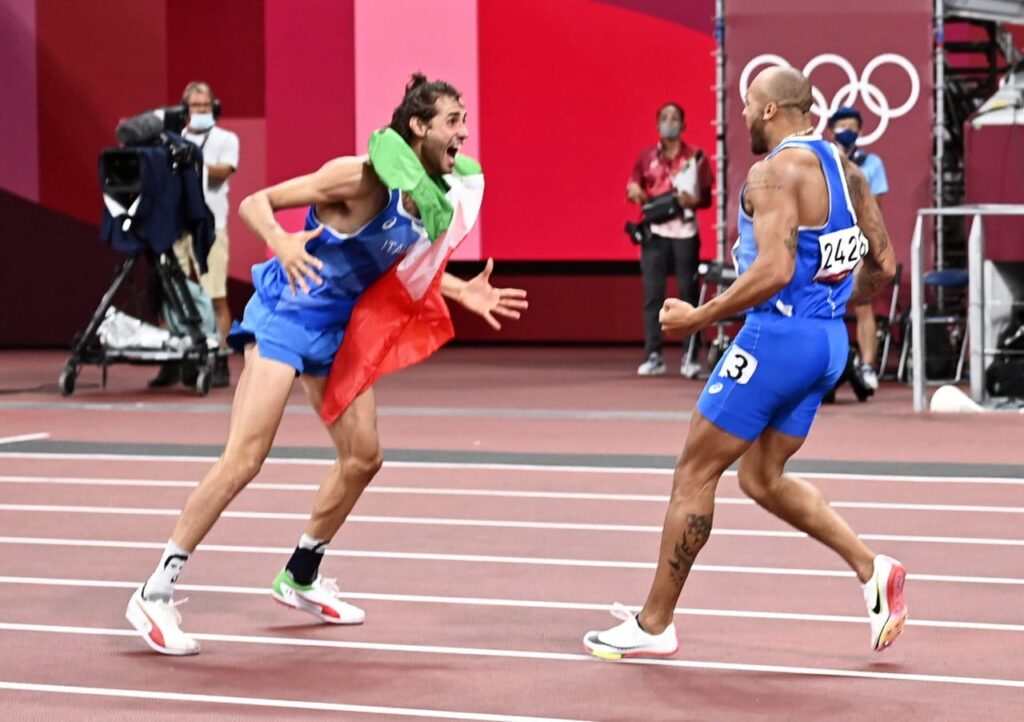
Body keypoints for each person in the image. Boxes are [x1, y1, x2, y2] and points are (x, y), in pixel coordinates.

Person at [125, 74, 528, 655]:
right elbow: (253, 202)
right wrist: (284, 244)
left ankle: (301, 576)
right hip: (288, 314)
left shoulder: (429, 200)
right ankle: (154, 591)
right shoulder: (361, 177)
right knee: (245, 459)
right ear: (418, 127)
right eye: (452, 121)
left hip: (338, 329)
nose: (463, 132)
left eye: (464, 120)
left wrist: (462, 291)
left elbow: (401, 267)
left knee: (363, 458)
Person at [584, 67, 905, 660]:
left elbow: (775, 271)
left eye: (746, 105)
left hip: (775, 341)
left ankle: (654, 625)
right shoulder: (849, 172)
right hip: (826, 345)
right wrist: (828, 305)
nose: (741, 116)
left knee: (693, 474)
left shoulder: (773, 171)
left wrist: (699, 318)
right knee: (760, 478)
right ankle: (871, 568)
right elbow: (884, 266)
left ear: (767, 112)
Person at [149, 81, 240, 389]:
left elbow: (223, 172)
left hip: (211, 226)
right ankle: (171, 363)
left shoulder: (227, 139)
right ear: (184, 109)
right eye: (194, 106)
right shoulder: (173, 140)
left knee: (215, 295)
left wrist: (192, 159)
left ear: (214, 107)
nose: (200, 111)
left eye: (205, 105)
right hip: (176, 226)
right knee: (170, 294)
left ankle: (221, 360)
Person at [627, 102, 714, 377]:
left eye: (674, 118)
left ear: (683, 124)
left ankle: (690, 357)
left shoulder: (696, 157)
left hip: (685, 234)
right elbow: (633, 187)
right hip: (654, 234)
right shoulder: (646, 157)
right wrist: (634, 192)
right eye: (664, 118)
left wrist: (694, 200)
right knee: (653, 295)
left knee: (688, 294)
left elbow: (707, 198)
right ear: (657, 125)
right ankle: (654, 355)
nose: (669, 122)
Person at [828, 106, 889, 393]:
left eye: (852, 124)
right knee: (827, 304)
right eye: (842, 124)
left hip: (859, 241)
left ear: (861, 130)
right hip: (828, 241)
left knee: (863, 303)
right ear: (831, 129)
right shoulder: (824, 159)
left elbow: (874, 206)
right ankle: (828, 367)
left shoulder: (871, 163)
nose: (847, 129)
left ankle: (866, 366)